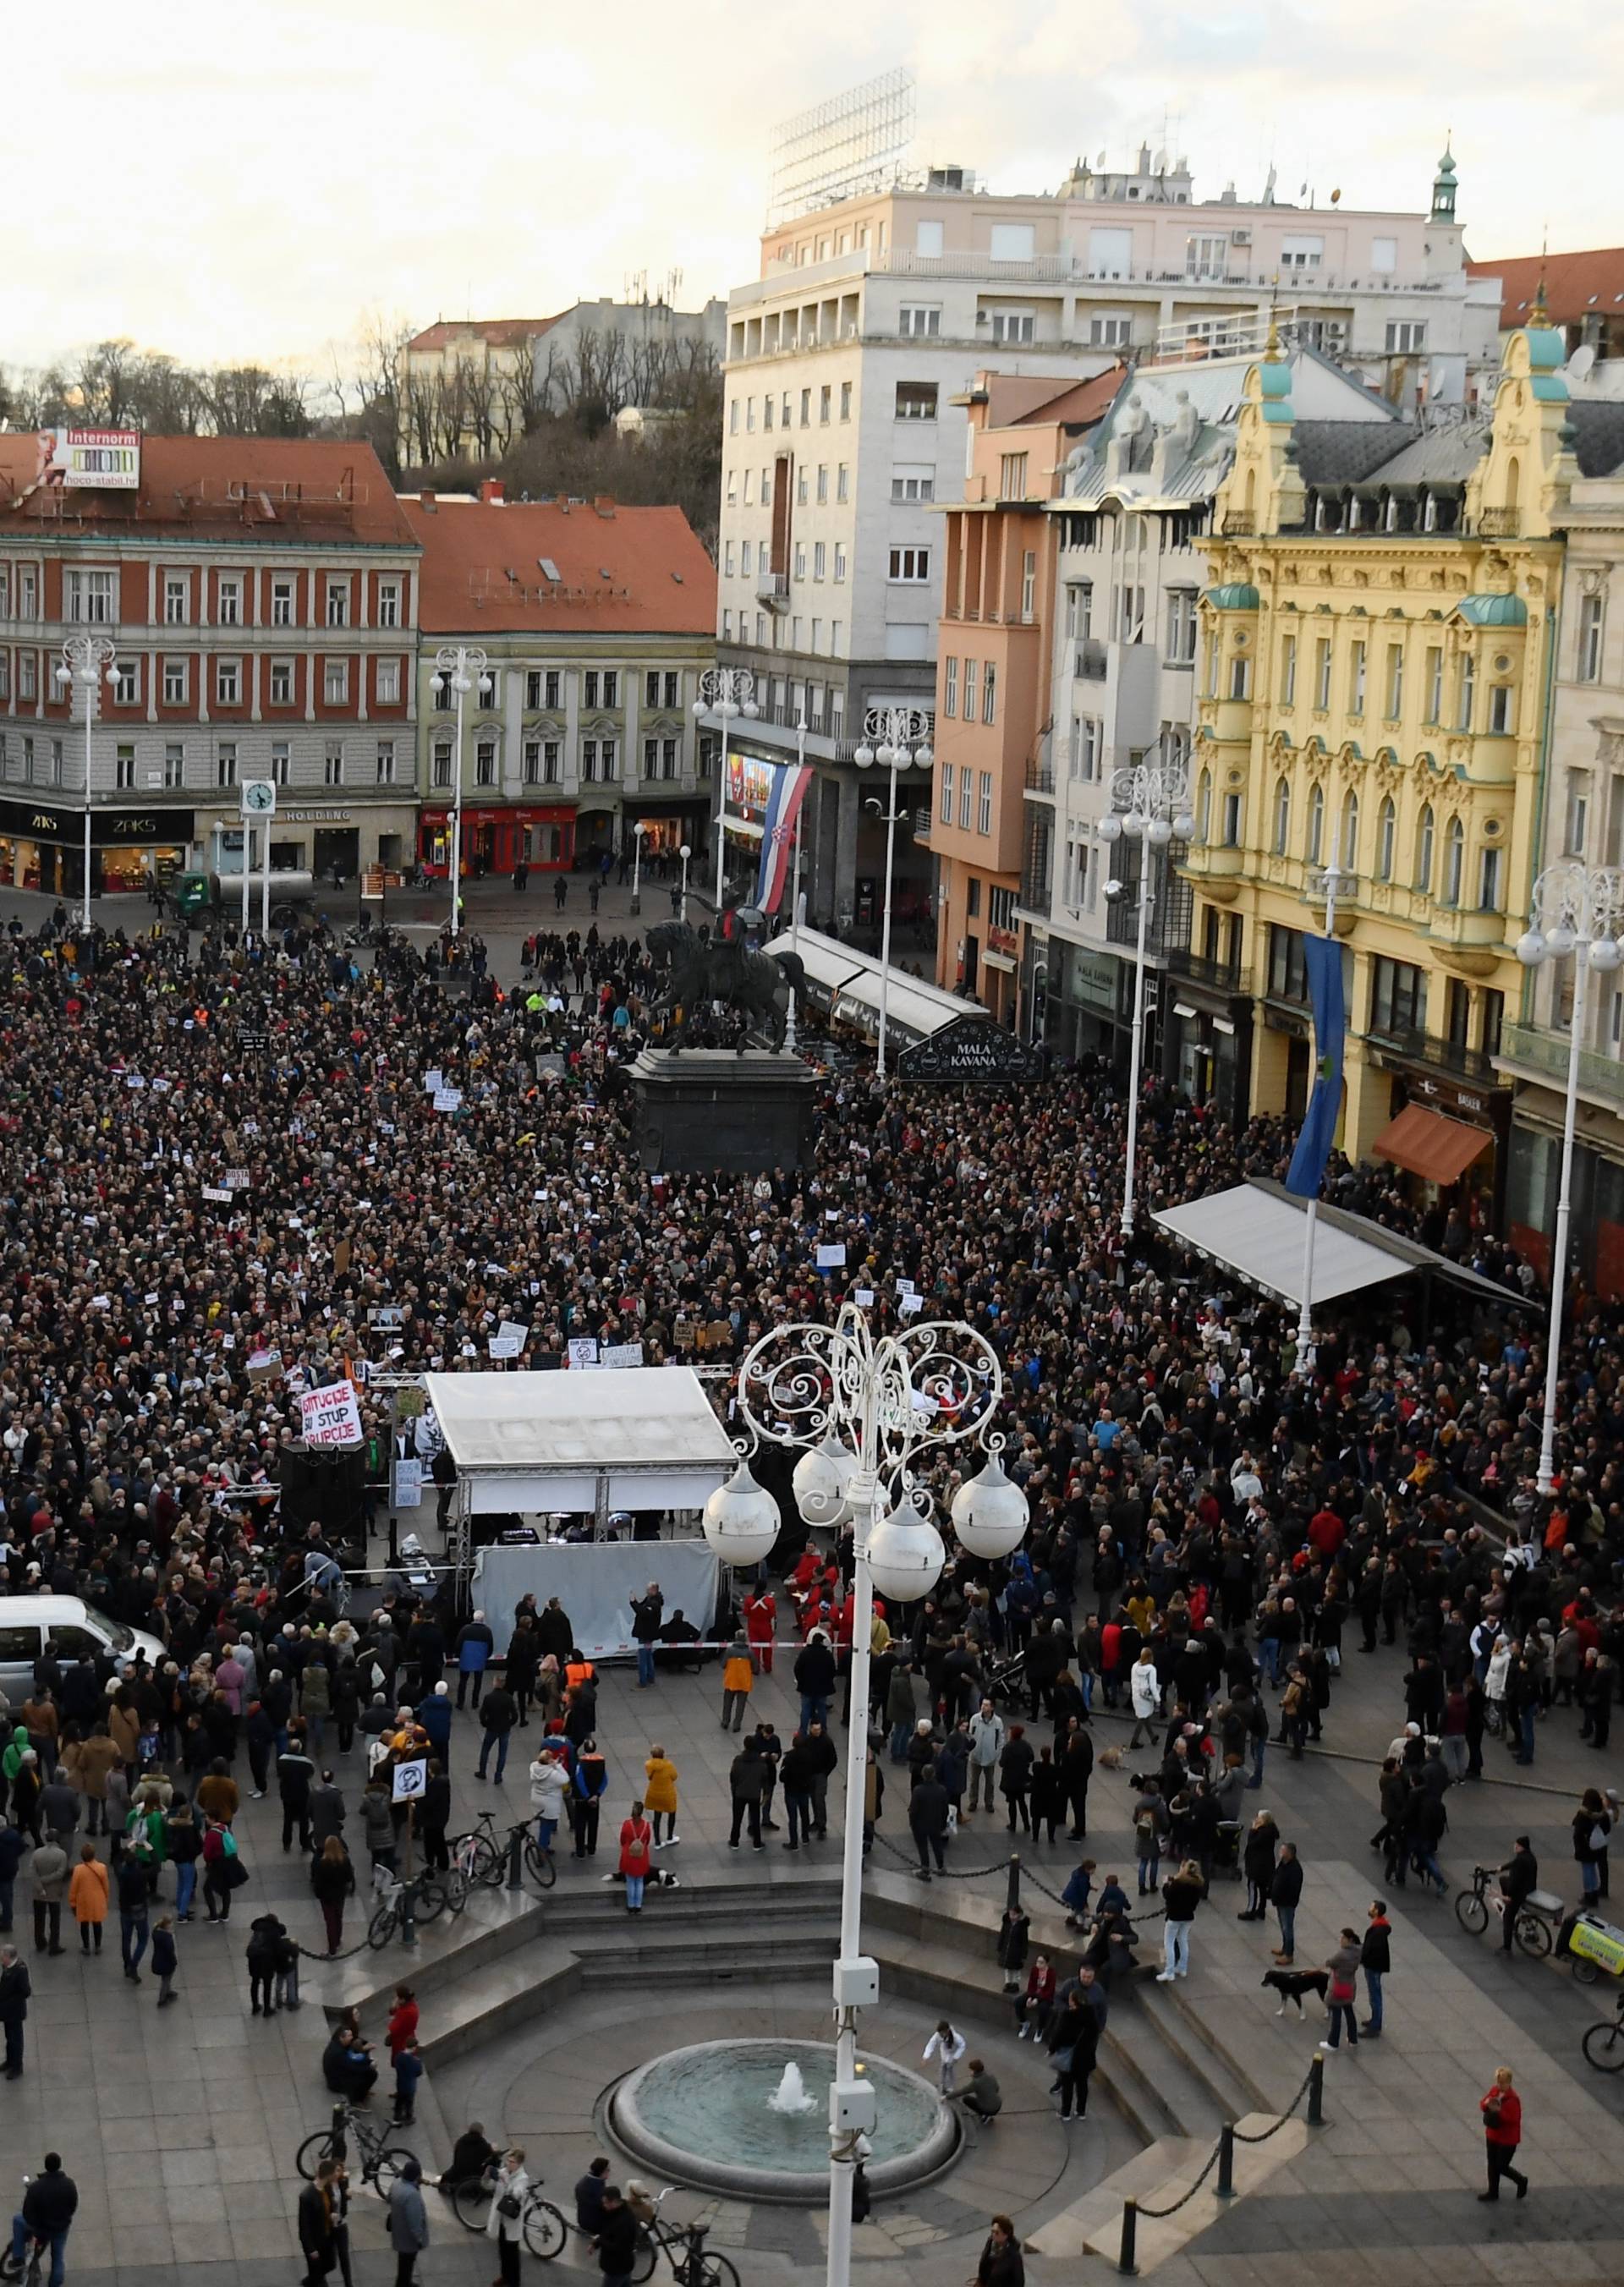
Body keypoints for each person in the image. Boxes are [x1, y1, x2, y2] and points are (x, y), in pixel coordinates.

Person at [8, 2154, 76, 2287]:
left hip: (40, 2228)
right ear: (59, 2165)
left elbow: (26, 2212)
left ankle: (18, 2258)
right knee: (58, 2258)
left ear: (46, 2166)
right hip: (60, 2227)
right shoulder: (69, 2184)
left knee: (17, 2220)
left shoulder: (36, 2188)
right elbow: (73, 2206)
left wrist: (35, 2224)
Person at [1478, 2066, 1529, 2202]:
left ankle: (1521, 2180)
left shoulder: (1513, 2099)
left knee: (1501, 2166)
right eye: (1499, 2082)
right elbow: (1483, 2104)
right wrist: (1487, 2104)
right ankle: (1493, 2192)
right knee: (1492, 2164)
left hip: (1508, 2140)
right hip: (1493, 2135)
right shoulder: (1494, 2091)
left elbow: (1514, 2119)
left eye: (1503, 2082)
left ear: (1509, 2082)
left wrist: (1499, 2111)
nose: (1500, 2085)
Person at [486, 2147, 530, 2286]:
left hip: (511, 2220)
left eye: (512, 2162)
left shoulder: (523, 2178)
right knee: (503, 2251)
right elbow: (489, 2186)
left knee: (512, 2254)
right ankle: (505, 2276)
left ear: (519, 2164)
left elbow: (517, 2193)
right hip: (500, 2218)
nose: (509, 2164)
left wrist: (505, 2181)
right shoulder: (504, 2172)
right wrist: (488, 2175)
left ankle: (514, 2281)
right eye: (508, 2160)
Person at [1158, 1857, 1204, 1982]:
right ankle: (1182, 1968)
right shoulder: (1197, 1885)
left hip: (1174, 1917)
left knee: (1169, 1943)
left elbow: (1167, 1895)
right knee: (1183, 1941)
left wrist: (1166, 1884)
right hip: (1188, 1917)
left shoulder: (1178, 1884)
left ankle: (1169, 1971)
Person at [387, 2156, 430, 2286]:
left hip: (398, 2232)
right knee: (407, 2266)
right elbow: (414, 2221)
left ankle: (405, 2282)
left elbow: (389, 2198)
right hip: (408, 2240)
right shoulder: (412, 2195)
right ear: (417, 2176)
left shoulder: (396, 2184)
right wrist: (420, 2239)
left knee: (403, 2265)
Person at [312, 1837, 356, 1956]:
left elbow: (318, 1882)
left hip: (326, 1897)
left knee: (330, 1922)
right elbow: (348, 1878)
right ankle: (337, 1941)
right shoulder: (345, 1860)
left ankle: (332, 1948)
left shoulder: (323, 1863)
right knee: (338, 1918)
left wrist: (318, 1893)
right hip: (340, 1894)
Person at [1499, 1835, 1539, 1953]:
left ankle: (1507, 1947)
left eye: (1516, 1845)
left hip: (1519, 1894)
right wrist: (1501, 1868)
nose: (1514, 1847)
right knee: (1503, 1879)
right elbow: (1513, 1863)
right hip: (1530, 1888)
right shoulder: (1530, 1856)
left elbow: (1514, 1883)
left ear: (1520, 1846)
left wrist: (1509, 1896)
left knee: (1508, 1918)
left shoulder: (1520, 1861)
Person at [1324, 1928, 1361, 2050]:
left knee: (1336, 2014)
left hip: (1339, 1987)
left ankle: (1333, 2042)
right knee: (1349, 2012)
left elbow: (1330, 1962)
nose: (1340, 1940)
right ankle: (1352, 2039)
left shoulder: (1342, 1954)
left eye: (1343, 1938)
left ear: (1349, 1939)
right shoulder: (1357, 1952)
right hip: (1350, 1985)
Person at [299, 2165, 337, 2286]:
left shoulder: (327, 2188)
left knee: (331, 2264)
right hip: (315, 2243)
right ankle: (314, 2280)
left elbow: (331, 2204)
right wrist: (311, 2249)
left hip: (327, 2237)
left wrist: (332, 2214)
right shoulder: (307, 2196)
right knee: (318, 2276)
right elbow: (304, 2226)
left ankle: (310, 2281)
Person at [594, 2184, 639, 2285]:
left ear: (614, 2202)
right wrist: (596, 2243)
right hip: (624, 2266)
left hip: (616, 2268)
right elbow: (607, 2232)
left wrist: (600, 2241)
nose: (604, 2205)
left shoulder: (624, 2222)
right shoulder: (617, 2212)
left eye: (605, 2203)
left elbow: (618, 2247)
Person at [68, 1843, 107, 1955]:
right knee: (97, 1923)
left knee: (84, 1924)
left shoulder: (78, 1870)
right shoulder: (101, 1867)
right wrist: (105, 1897)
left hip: (83, 1900)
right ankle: (98, 1946)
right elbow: (106, 1886)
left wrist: (73, 1903)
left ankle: (86, 1947)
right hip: (97, 1899)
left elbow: (73, 1888)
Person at [477, 1680, 518, 1785]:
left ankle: (482, 1771)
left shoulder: (488, 1697)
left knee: (485, 1749)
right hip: (504, 1728)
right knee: (502, 1753)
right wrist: (509, 1724)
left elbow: (482, 1714)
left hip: (492, 1727)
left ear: (494, 1684)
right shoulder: (509, 1698)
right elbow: (515, 1715)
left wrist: (485, 1723)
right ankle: (498, 1776)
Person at [1360, 1900, 1391, 2037]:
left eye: (1372, 1907)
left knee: (1375, 1997)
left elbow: (1372, 1949)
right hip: (1374, 1965)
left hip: (1373, 1966)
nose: (1369, 1909)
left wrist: (1363, 1957)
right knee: (1374, 1995)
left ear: (1377, 1911)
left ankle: (1375, 2026)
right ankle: (1374, 2020)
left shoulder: (1378, 1930)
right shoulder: (1379, 1927)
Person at [1270, 1841, 1303, 1965]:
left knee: (1287, 1927)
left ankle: (1289, 1954)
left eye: (1283, 1850)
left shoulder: (1295, 1869)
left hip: (1287, 1903)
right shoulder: (1283, 1864)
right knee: (1283, 1927)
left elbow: (1293, 1888)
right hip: (1280, 1901)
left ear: (1289, 1854)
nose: (1280, 1852)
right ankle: (1284, 1948)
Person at [619, 1799, 654, 1913]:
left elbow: (622, 1839)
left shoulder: (627, 1824)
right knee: (639, 1881)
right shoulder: (646, 1825)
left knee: (630, 1882)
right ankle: (638, 1905)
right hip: (641, 1856)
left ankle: (630, 1905)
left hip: (629, 1856)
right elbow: (647, 1840)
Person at [0, 1944, 30, 2076]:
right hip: (6, 2011)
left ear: (9, 1957)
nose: (1, 1959)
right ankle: (10, 2061)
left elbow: (25, 1992)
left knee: (16, 2039)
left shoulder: (20, 1970)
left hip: (15, 2012)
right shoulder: (6, 1967)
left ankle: (17, 2067)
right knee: (9, 2037)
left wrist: (9, 2000)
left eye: (3, 1956)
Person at [973, 2213, 1025, 2287]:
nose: (993, 2235)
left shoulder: (1014, 2255)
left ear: (1006, 2235)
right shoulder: (990, 2243)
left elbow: (1019, 2282)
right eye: (992, 2231)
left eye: (997, 2233)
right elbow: (984, 2265)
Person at [644, 1747, 679, 1847]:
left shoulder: (649, 1765)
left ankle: (657, 1842)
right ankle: (669, 1837)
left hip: (654, 1794)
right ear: (663, 1755)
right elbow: (675, 1776)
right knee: (672, 1813)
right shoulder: (668, 1765)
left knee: (657, 1817)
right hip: (667, 1794)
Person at [923, 2018, 967, 2093]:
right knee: (943, 2068)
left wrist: (956, 2057)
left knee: (949, 2069)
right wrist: (926, 2056)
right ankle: (942, 2084)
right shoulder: (938, 2035)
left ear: (947, 2031)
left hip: (952, 2055)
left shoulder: (956, 2037)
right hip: (944, 2053)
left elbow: (962, 2045)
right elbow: (931, 2044)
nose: (940, 2035)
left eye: (942, 2033)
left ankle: (950, 2087)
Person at [721, 1637, 754, 1732]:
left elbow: (723, 1665)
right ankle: (737, 1725)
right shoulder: (749, 1653)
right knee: (741, 1704)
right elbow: (755, 1667)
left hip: (731, 1680)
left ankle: (725, 1721)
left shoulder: (729, 1651)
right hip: (744, 1682)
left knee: (727, 1703)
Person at [573, 2156, 611, 2235]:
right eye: (607, 2170)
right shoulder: (597, 2188)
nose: (609, 2171)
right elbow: (606, 2206)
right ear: (602, 2172)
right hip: (594, 2225)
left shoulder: (584, 2182)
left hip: (583, 2220)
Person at [958, 2058, 1002, 2123]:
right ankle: (987, 2113)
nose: (970, 2072)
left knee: (966, 2099)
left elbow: (962, 2091)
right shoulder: (990, 2075)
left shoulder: (976, 2082)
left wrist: (946, 2097)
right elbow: (997, 2088)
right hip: (998, 2105)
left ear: (975, 2071)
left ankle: (986, 2115)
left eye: (971, 2070)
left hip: (989, 2109)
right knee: (982, 2099)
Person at [151, 1913, 178, 2006]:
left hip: (158, 1961)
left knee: (166, 1979)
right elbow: (170, 1952)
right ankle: (162, 1999)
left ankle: (168, 1991)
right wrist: (174, 1961)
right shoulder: (167, 1938)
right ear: (167, 1925)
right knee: (166, 1980)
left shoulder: (156, 1933)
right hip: (166, 1963)